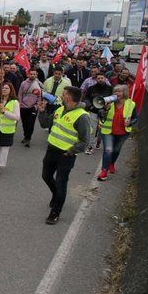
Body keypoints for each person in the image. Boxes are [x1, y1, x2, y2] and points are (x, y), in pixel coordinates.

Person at [37, 86, 90, 225]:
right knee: (46, 176)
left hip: (66, 155)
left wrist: (70, 151)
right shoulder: (60, 109)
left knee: (61, 183)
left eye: (64, 94)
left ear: (69, 97)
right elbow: (45, 123)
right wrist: (42, 111)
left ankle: (55, 212)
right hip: (51, 150)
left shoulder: (82, 116)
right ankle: (57, 195)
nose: (61, 95)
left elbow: (85, 141)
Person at [97, 85, 138, 181]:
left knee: (116, 150)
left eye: (119, 91)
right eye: (115, 91)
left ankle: (112, 163)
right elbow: (100, 114)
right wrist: (105, 109)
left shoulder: (131, 104)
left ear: (125, 93)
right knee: (108, 150)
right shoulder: (109, 102)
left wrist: (130, 123)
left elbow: (135, 118)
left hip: (123, 132)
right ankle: (104, 171)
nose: (117, 93)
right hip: (108, 131)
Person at [0, 82, 20, 177]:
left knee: (3, 148)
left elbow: (17, 117)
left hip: (6, 129)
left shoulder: (14, 102)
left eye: (7, 88)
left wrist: (4, 112)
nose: (5, 89)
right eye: (3, 88)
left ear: (11, 90)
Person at [83, 73, 112, 154]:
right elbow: (86, 99)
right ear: (96, 79)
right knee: (92, 129)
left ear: (105, 78)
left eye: (102, 78)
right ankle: (90, 146)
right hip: (93, 112)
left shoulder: (110, 89)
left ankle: (98, 141)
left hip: (105, 113)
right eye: (98, 78)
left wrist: (108, 106)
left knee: (102, 130)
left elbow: (113, 99)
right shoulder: (91, 88)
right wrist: (90, 107)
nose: (100, 79)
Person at [17, 69, 41, 147]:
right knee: (24, 123)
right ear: (28, 75)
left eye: (34, 74)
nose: (32, 75)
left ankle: (28, 138)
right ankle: (25, 135)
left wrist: (37, 106)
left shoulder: (38, 84)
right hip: (23, 106)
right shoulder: (23, 83)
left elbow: (40, 96)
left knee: (31, 124)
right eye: (31, 74)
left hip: (33, 107)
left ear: (36, 75)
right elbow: (20, 94)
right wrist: (20, 103)